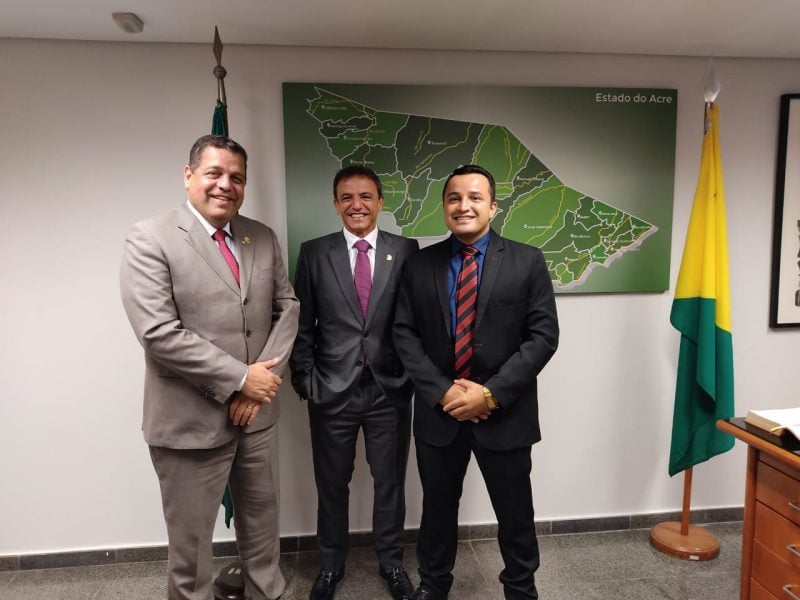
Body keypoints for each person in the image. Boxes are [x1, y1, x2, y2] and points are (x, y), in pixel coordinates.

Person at [120, 134, 299, 600]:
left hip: (257, 418)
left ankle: (265, 593)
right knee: (192, 549)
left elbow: (287, 308)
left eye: (236, 177)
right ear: (188, 175)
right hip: (189, 421)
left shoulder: (261, 236)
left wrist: (262, 382)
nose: (225, 185)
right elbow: (158, 333)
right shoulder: (150, 237)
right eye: (214, 173)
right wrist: (241, 379)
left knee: (263, 530)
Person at [393, 165, 559, 600]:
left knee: (515, 513)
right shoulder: (419, 263)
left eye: (474, 197)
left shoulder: (527, 260)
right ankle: (433, 586)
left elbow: (543, 337)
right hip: (440, 414)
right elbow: (403, 333)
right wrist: (443, 390)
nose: (463, 205)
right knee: (437, 511)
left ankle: (520, 588)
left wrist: (490, 394)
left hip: (504, 414)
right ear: (444, 206)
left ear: (493, 207)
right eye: (454, 198)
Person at [290, 165, 419, 600]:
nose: (356, 205)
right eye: (347, 197)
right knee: (331, 485)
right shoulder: (314, 253)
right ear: (335, 204)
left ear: (380, 202)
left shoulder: (406, 250)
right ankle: (330, 567)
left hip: (388, 390)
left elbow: (416, 320)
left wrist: (410, 377)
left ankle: (392, 564)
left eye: (365, 196)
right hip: (331, 392)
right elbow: (302, 323)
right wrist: (305, 379)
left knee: (390, 484)